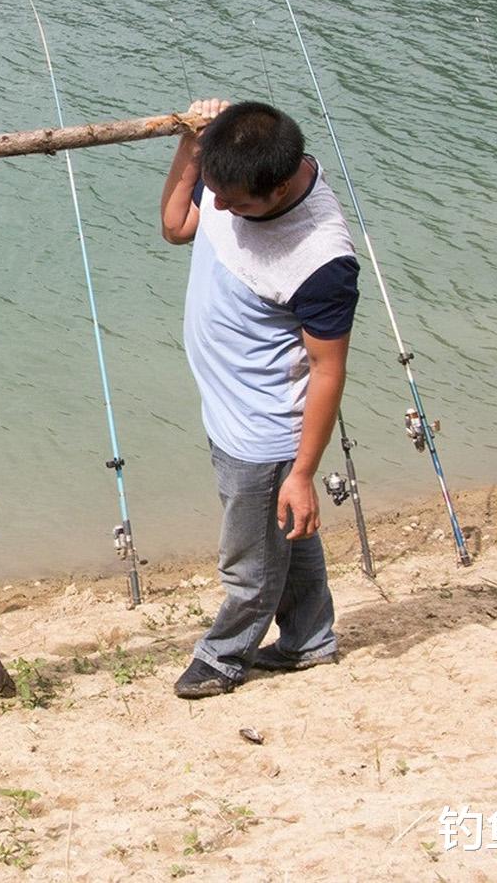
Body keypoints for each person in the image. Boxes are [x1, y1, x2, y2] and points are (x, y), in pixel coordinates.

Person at [159, 98, 360, 700]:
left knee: (249, 559)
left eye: (234, 202)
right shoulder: (235, 176)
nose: (217, 208)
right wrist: (191, 145)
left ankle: (223, 658)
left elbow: (328, 370)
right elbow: (175, 226)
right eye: (213, 190)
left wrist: (302, 472)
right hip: (227, 413)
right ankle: (309, 638)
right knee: (284, 534)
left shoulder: (321, 258)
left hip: (265, 431)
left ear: (276, 189)